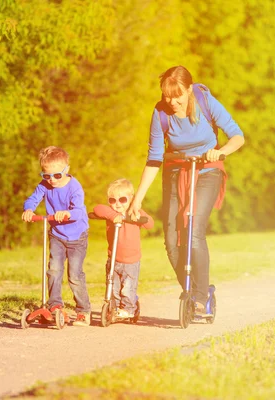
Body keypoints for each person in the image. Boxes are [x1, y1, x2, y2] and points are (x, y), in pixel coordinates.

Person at [127, 65, 245, 315]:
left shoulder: (205, 101)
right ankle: (194, 292)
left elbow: (237, 136)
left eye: (177, 95)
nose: (172, 102)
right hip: (175, 172)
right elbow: (154, 159)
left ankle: (202, 299)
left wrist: (220, 151)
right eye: (167, 96)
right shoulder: (160, 113)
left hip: (207, 171)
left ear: (189, 90)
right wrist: (137, 199)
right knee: (171, 241)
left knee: (193, 230)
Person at [21, 146, 92, 327]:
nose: (51, 180)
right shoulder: (45, 185)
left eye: (56, 176)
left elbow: (77, 211)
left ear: (66, 170)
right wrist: (29, 209)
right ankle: (55, 306)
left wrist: (66, 213)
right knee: (53, 270)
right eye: (47, 176)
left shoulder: (74, 187)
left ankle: (83, 310)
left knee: (74, 275)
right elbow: (33, 198)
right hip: (57, 235)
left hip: (77, 236)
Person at [92, 179, 154, 318]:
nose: (117, 204)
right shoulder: (110, 213)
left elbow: (150, 224)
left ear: (131, 199)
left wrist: (139, 213)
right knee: (112, 287)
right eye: (112, 200)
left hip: (131, 260)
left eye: (122, 199)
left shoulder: (134, 212)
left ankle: (129, 309)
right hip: (113, 259)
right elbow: (97, 209)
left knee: (127, 288)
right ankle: (114, 309)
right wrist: (113, 215)